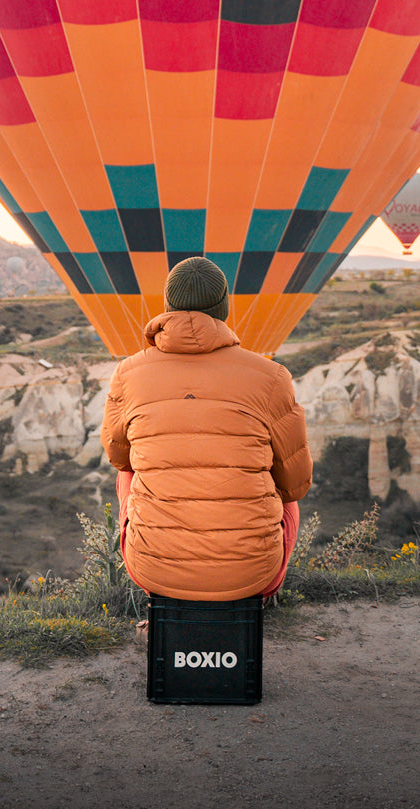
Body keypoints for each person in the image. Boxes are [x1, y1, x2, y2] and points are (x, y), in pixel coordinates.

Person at [101, 256, 312, 602]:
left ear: (167, 305)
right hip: (253, 573)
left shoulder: (128, 373)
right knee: (286, 498)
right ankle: (253, 596)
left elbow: (117, 456)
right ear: (224, 308)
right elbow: (297, 483)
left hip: (153, 570)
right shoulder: (272, 376)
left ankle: (165, 589)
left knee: (128, 472)